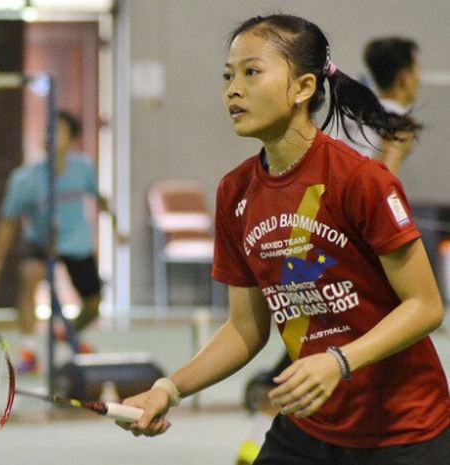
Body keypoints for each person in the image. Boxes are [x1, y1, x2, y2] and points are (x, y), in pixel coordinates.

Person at [118, 14, 450, 465]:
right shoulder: (234, 193)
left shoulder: (360, 181)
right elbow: (244, 328)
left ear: (303, 88)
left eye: (251, 72)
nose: (233, 89)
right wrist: (168, 388)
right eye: (228, 75)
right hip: (310, 426)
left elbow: (426, 306)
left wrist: (339, 361)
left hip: (404, 432)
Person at [237, 35, 423, 465]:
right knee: (315, 367)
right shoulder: (398, 124)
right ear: (406, 76)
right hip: (346, 249)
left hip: (300, 239)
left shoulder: (349, 105)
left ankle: (252, 448)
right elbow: (381, 179)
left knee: (297, 366)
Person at [0, 110, 120, 373]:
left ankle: (68, 334)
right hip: (41, 244)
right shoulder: (25, 179)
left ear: (72, 139)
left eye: (60, 131)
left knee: (94, 305)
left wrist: (115, 226)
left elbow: (99, 198)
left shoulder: (84, 168)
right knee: (31, 274)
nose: (51, 137)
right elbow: (7, 223)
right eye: (49, 131)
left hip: (76, 243)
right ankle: (29, 351)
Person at [338, 36, 421, 175]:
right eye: (418, 72)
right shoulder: (401, 124)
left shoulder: (356, 111)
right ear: (404, 78)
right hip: (358, 194)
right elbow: (382, 182)